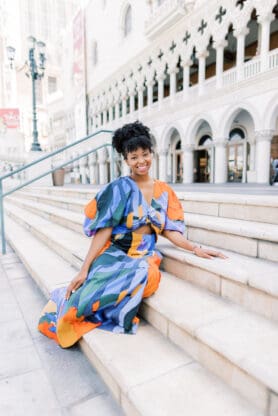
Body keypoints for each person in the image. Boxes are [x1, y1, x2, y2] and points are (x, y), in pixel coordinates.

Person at [38, 121, 227, 348]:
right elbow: (104, 229)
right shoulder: (118, 188)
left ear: (151, 154)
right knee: (83, 301)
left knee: (147, 277)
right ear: (126, 160)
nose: (141, 161)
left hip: (144, 254)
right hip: (116, 251)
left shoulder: (164, 192)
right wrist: (85, 268)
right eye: (134, 157)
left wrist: (195, 248)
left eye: (145, 154)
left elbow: (169, 230)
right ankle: (69, 306)